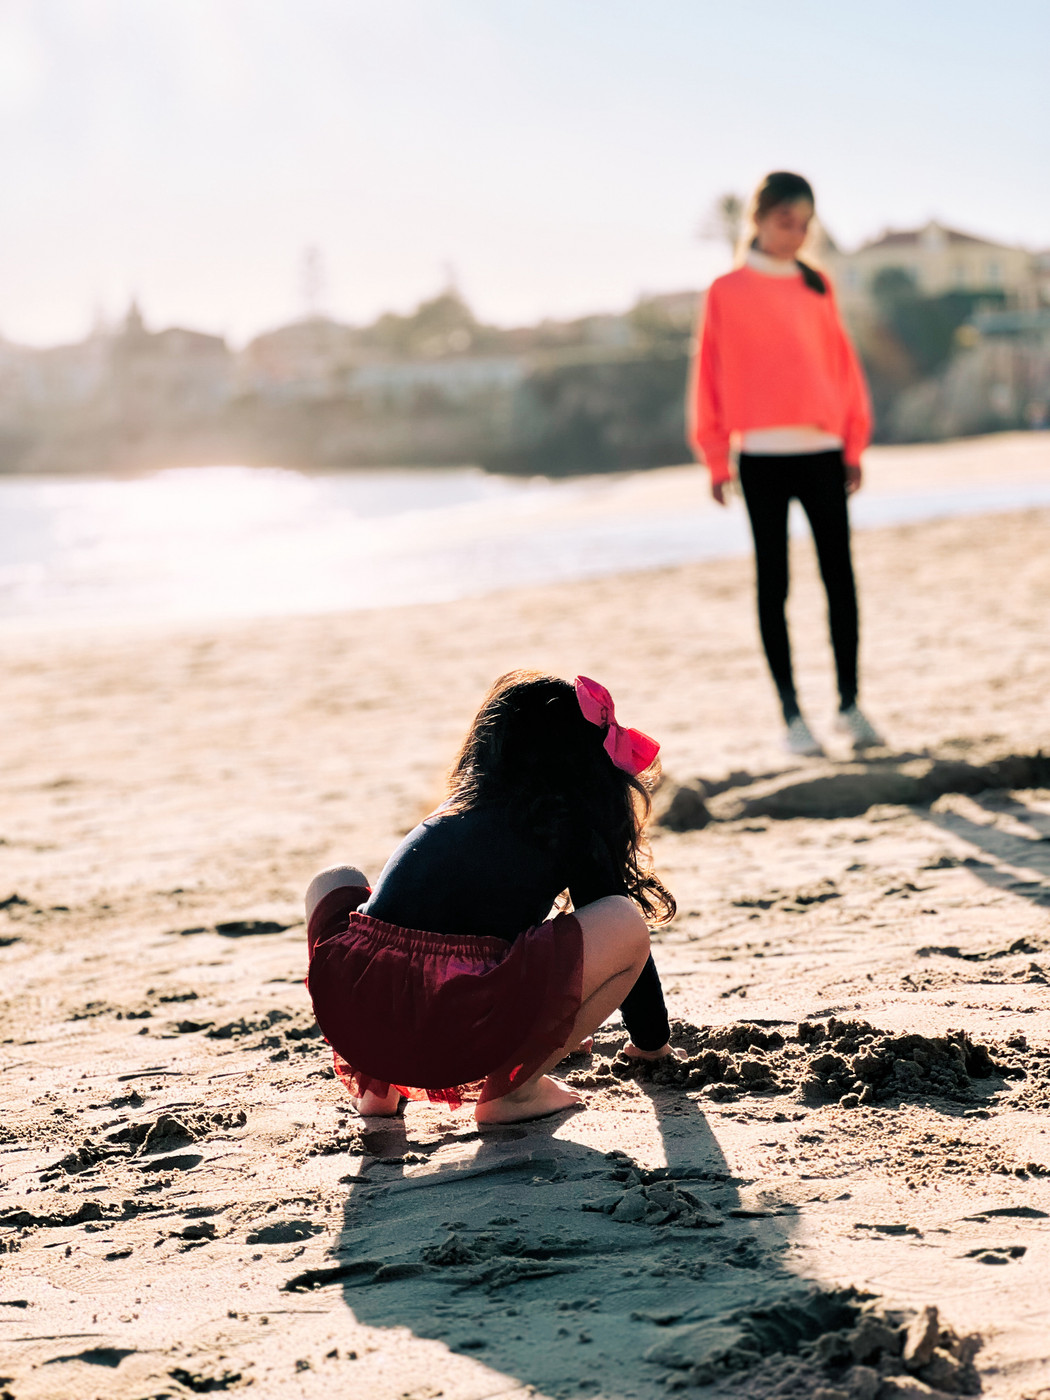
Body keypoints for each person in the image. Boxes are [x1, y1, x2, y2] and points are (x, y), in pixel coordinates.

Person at [304, 670, 679, 1125]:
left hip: (356, 1017)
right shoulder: (568, 827)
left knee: (335, 880)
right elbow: (619, 946)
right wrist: (651, 1044)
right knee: (622, 920)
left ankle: (376, 1086)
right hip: (448, 1020)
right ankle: (512, 1095)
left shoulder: (455, 810)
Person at [690, 170, 884, 757]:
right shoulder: (725, 291)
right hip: (761, 458)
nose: (795, 234)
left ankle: (850, 707)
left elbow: (843, 368)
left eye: (804, 225)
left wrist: (854, 444)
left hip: (823, 452)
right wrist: (716, 458)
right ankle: (792, 718)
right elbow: (710, 376)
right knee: (773, 585)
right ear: (759, 219)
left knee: (839, 581)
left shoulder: (817, 285)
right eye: (785, 222)